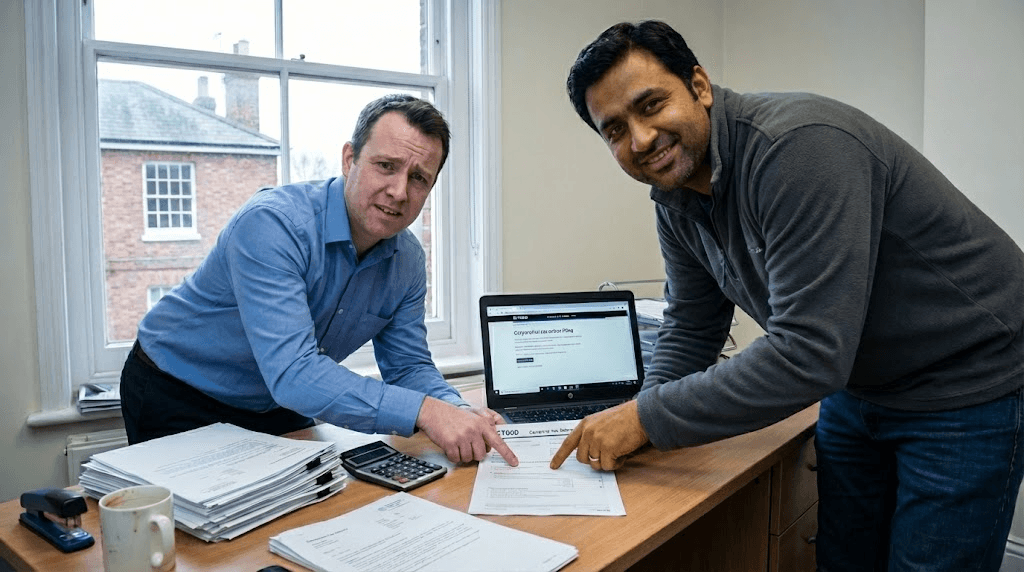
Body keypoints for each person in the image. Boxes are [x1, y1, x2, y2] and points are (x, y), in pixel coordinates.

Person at [550, 19, 1024, 571]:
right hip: (858, 382)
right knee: (845, 561)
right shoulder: (675, 199)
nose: (641, 139)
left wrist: (646, 418)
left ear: (699, 86)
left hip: (966, 382)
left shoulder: (798, 148)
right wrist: (643, 414)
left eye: (651, 105)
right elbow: (693, 325)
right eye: (614, 130)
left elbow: (808, 353)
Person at [121, 94, 517, 468]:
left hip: (279, 402)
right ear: (349, 159)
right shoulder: (272, 225)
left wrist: (457, 410)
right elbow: (294, 372)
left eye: (419, 178)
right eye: (386, 166)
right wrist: (426, 412)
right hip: (177, 389)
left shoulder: (408, 260)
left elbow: (408, 366)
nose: (399, 191)